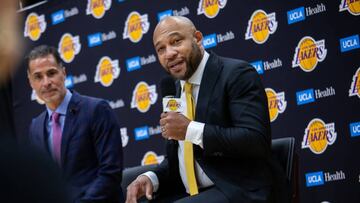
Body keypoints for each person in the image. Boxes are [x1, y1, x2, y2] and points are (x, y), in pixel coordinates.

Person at [126, 16, 288, 203]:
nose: (169, 53)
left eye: (176, 41)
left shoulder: (237, 74)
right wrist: (150, 179)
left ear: (197, 38)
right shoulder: (175, 88)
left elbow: (255, 140)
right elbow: (180, 160)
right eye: (161, 49)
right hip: (196, 194)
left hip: (240, 190)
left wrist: (190, 129)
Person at [27, 45, 124, 203]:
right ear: (31, 82)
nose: (46, 82)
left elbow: (110, 172)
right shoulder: (35, 127)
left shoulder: (96, 110)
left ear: (63, 73)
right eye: (38, 77)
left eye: (51, 73)